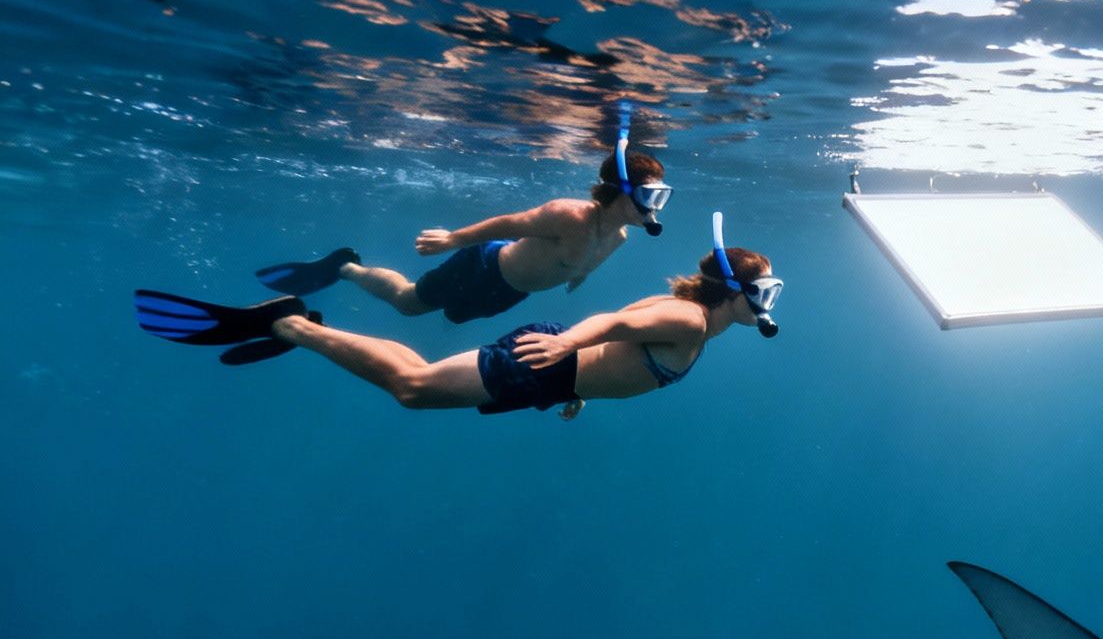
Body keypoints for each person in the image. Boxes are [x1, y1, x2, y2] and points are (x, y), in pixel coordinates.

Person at [134, 217, 782, 420]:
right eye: (765, 292)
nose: (768, 304)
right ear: (735, 292)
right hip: (545, 362)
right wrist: (569, 357)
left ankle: (297, 324)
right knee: (413, 388)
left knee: (417, 385)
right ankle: (291, 325)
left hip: (555, 371)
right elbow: (609, 325)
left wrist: (578, 383)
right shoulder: (691, 321)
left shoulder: (691, 317)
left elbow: (619, 333)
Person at [250, 137, 673, 325]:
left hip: (511, 291)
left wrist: (576, 277)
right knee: (410, 303)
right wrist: (452, 239)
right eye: (652, 197)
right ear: (621, 192)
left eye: (662, 197)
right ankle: (346, 268)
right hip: (485, 267)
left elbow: (586, 264)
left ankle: (351, 272)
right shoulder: (571, 215)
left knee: (453, 316)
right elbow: (509, 224)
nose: (656, 208)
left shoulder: (617, 236)